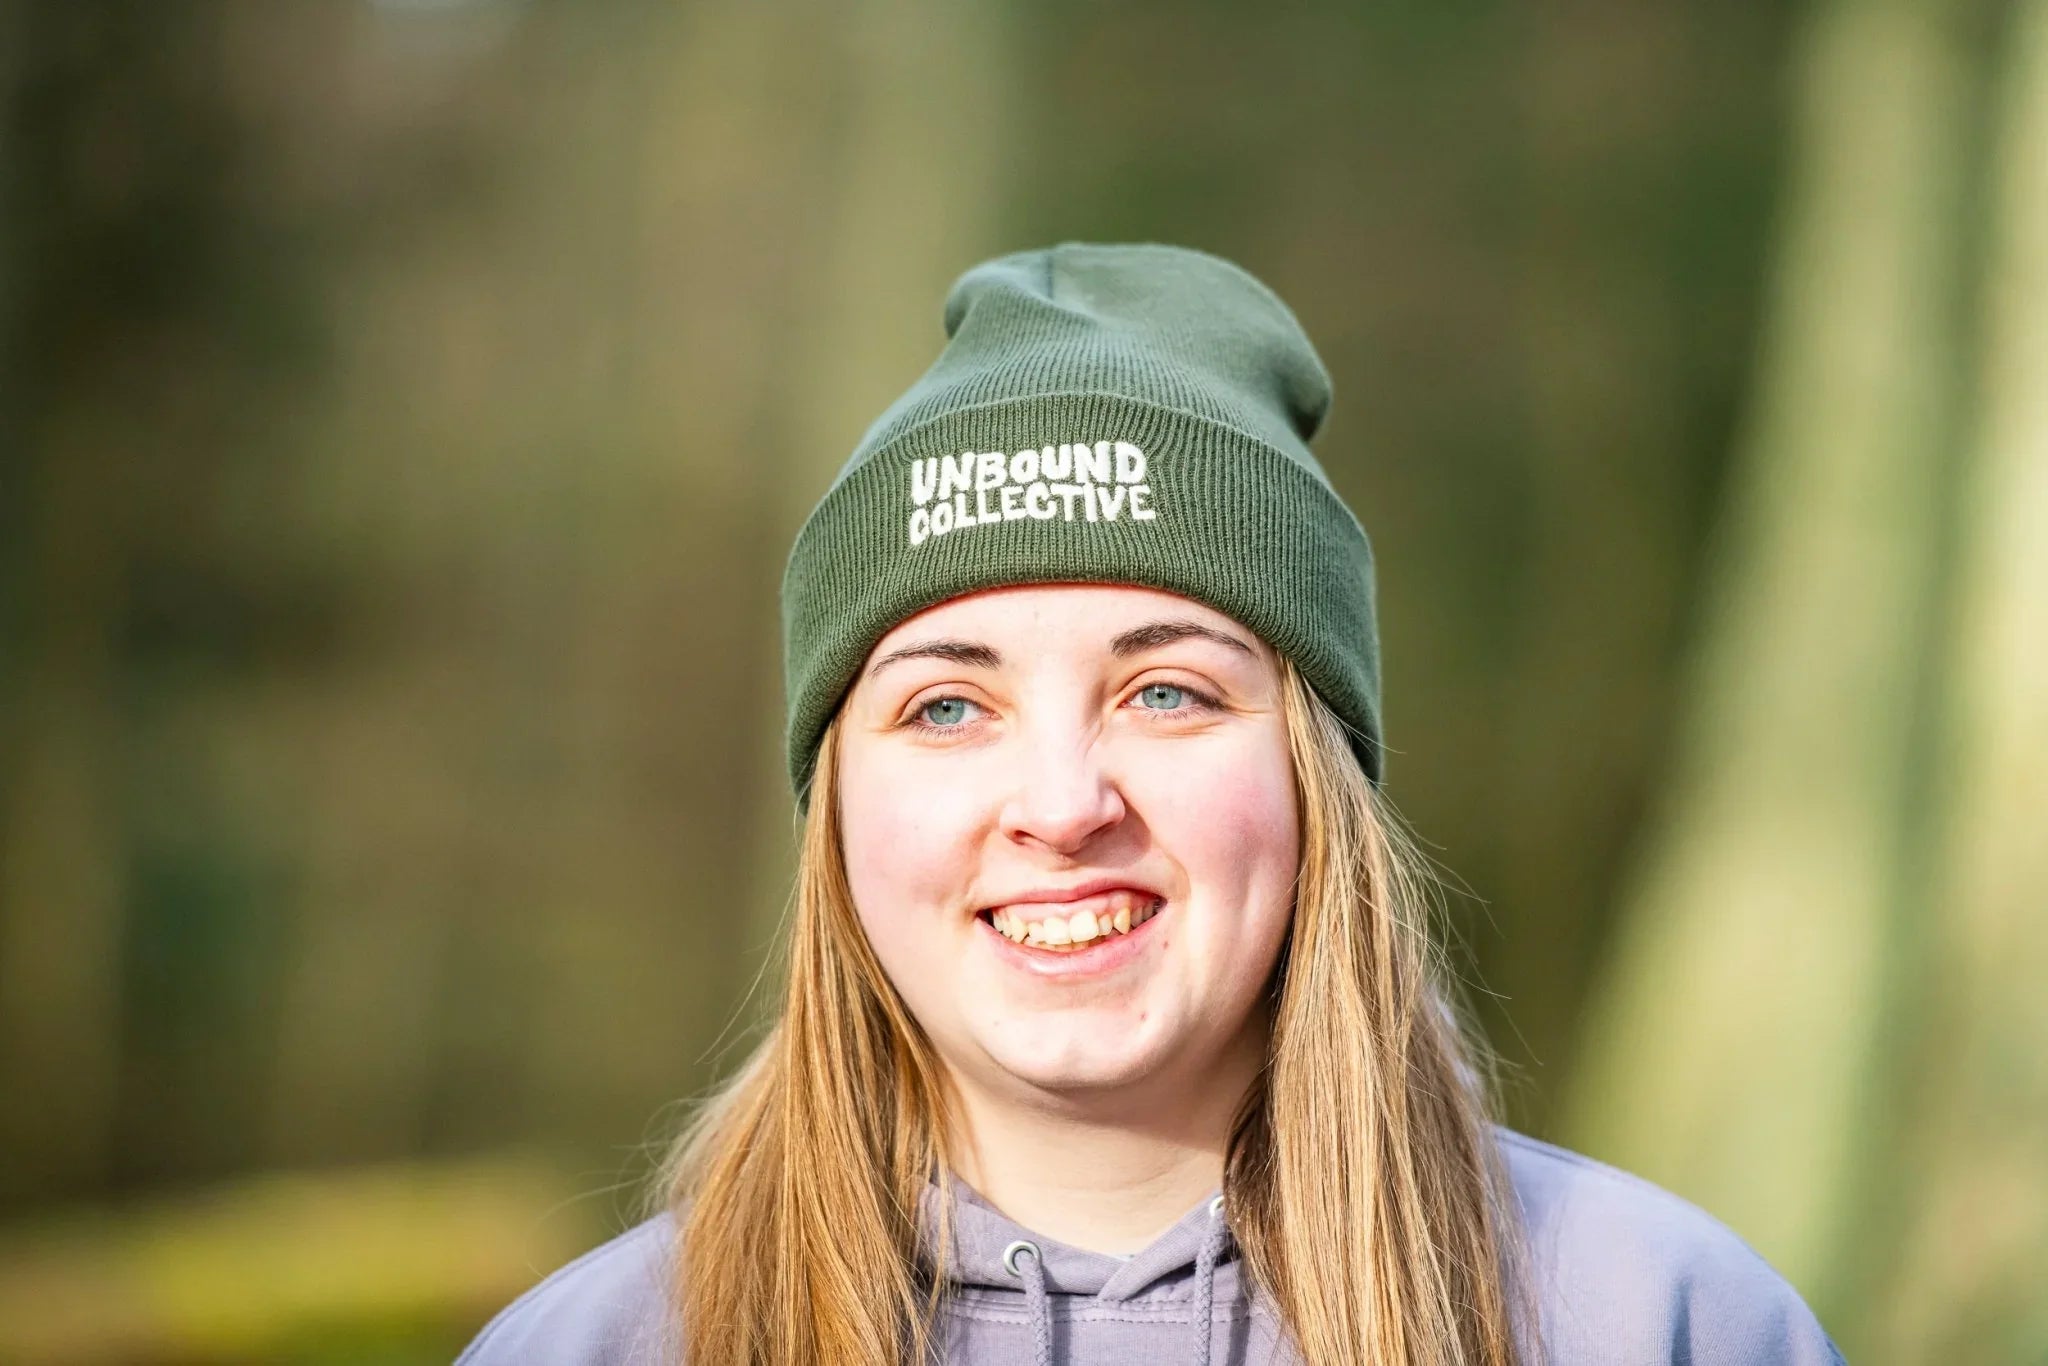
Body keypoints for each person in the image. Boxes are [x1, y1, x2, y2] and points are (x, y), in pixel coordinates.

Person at [454, 243, 1846, 1365]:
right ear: (834, 809)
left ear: (1319, 778)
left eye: (1167, 692)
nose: (1063, 803)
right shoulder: (598, 1347)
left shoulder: (1659, 1322)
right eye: (948, 706)